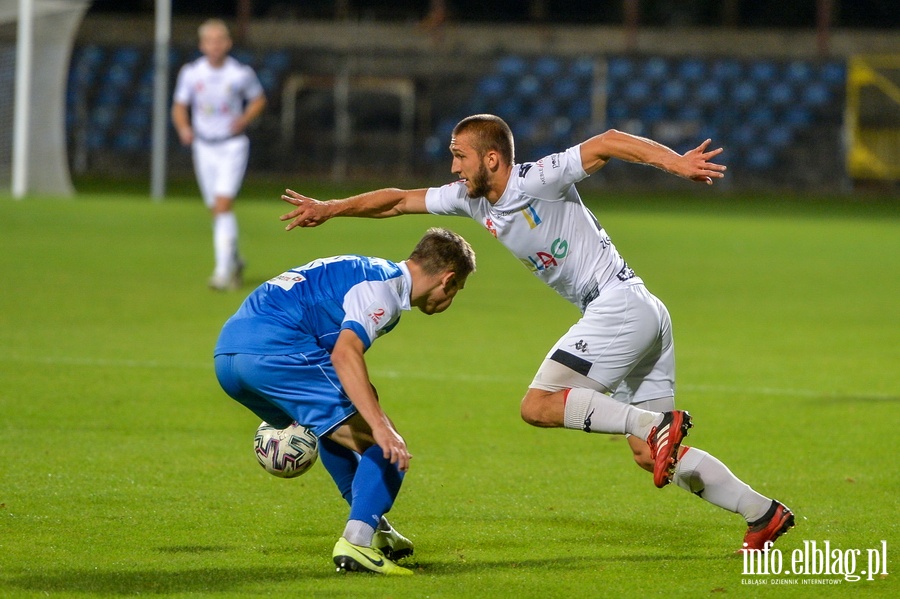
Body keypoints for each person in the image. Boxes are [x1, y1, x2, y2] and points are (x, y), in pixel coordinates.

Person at [279, 114, 795, 553]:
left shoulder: (535, 179)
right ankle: (762, 513)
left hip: (617, 307)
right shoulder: (473, 200)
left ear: (492, 160)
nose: (453, 166)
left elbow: (608, 141)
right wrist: (330, 208)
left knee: (539, 404)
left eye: (460, 156)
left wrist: (676, 163)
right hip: (644, 312)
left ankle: (657, 425)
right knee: (645, 452)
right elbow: (397, 201)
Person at [214, 227, 476, 575]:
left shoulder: (370, 270)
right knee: (386, 448)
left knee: (338, 427)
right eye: (457, 290)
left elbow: (346, 372)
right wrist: (383, 429)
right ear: (448, 279)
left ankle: (377, 531)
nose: (451, 299)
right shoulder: (382, 292)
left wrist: (374, 411)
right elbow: (345, 353)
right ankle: (356, 543)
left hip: (228, 357)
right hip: (275, 352)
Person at [172, 18, 267, 291]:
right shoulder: (191, 73)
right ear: (202, 45)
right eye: (209, 40)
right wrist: (183, 128)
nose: (214, 45)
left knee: (223, 205)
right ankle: (234, 260)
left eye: (219, 40)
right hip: (204, 146)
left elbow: (258, 99)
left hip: (232, 145)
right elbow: (179, 105)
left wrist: (244, 119)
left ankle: (222, 272)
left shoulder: (239, 73)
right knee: (216, 209)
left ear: (228, 43)